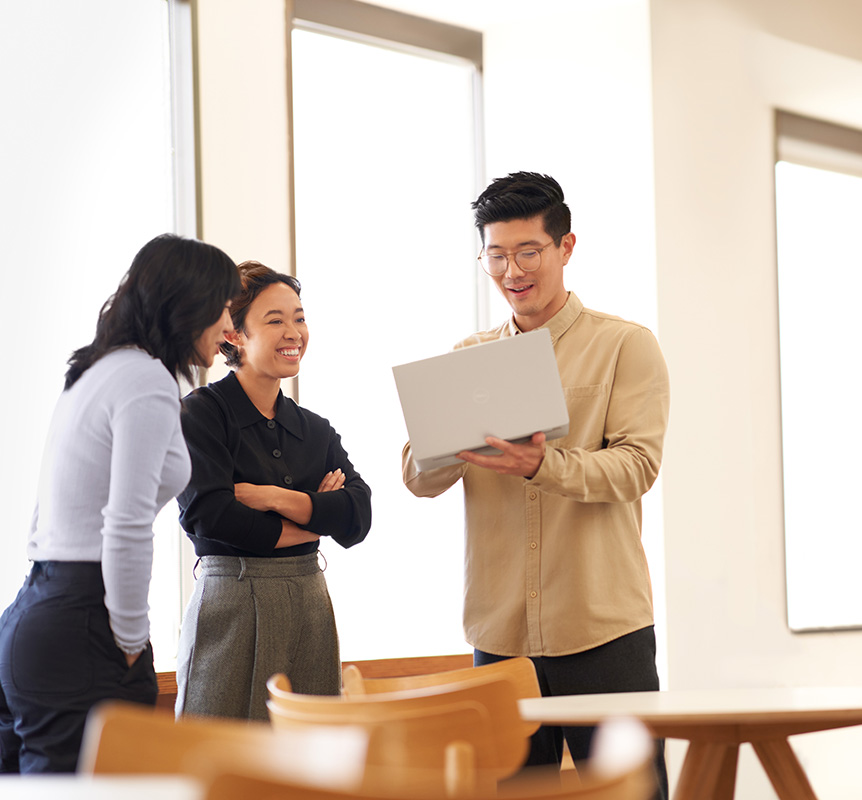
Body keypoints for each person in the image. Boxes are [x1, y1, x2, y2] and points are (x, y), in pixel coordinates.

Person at [402, 172, 670, 798]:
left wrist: (542, 465)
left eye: (528, 252)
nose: (511, 271)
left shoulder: (624, 345)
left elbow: (639, 467)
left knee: (636, 794)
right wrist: (451, 443)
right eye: (495, 256)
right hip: (499, 636)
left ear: (565, 247)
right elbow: (418, 477)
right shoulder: (468, 356)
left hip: (602, 629)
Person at [0, 234, 240, 773]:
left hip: (35, 613)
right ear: (190, 303)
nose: (230, 327)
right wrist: (130, 641)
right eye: (224, 307)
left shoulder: (97, 367)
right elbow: (127, 523)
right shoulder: (146, 379)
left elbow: (46, 514)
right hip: (82, 623)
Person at [174, 261, 371, 721]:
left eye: (299, 318)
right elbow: (212, 517)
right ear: (234, 335)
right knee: (219, 759)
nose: (294, 332)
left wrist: (273, 499)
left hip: (309, 601)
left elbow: (358, 516)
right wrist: (315, 516)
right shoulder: (199, 414)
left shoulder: (314, 429)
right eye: (275, 320)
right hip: (231, 599)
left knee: (311, 764)